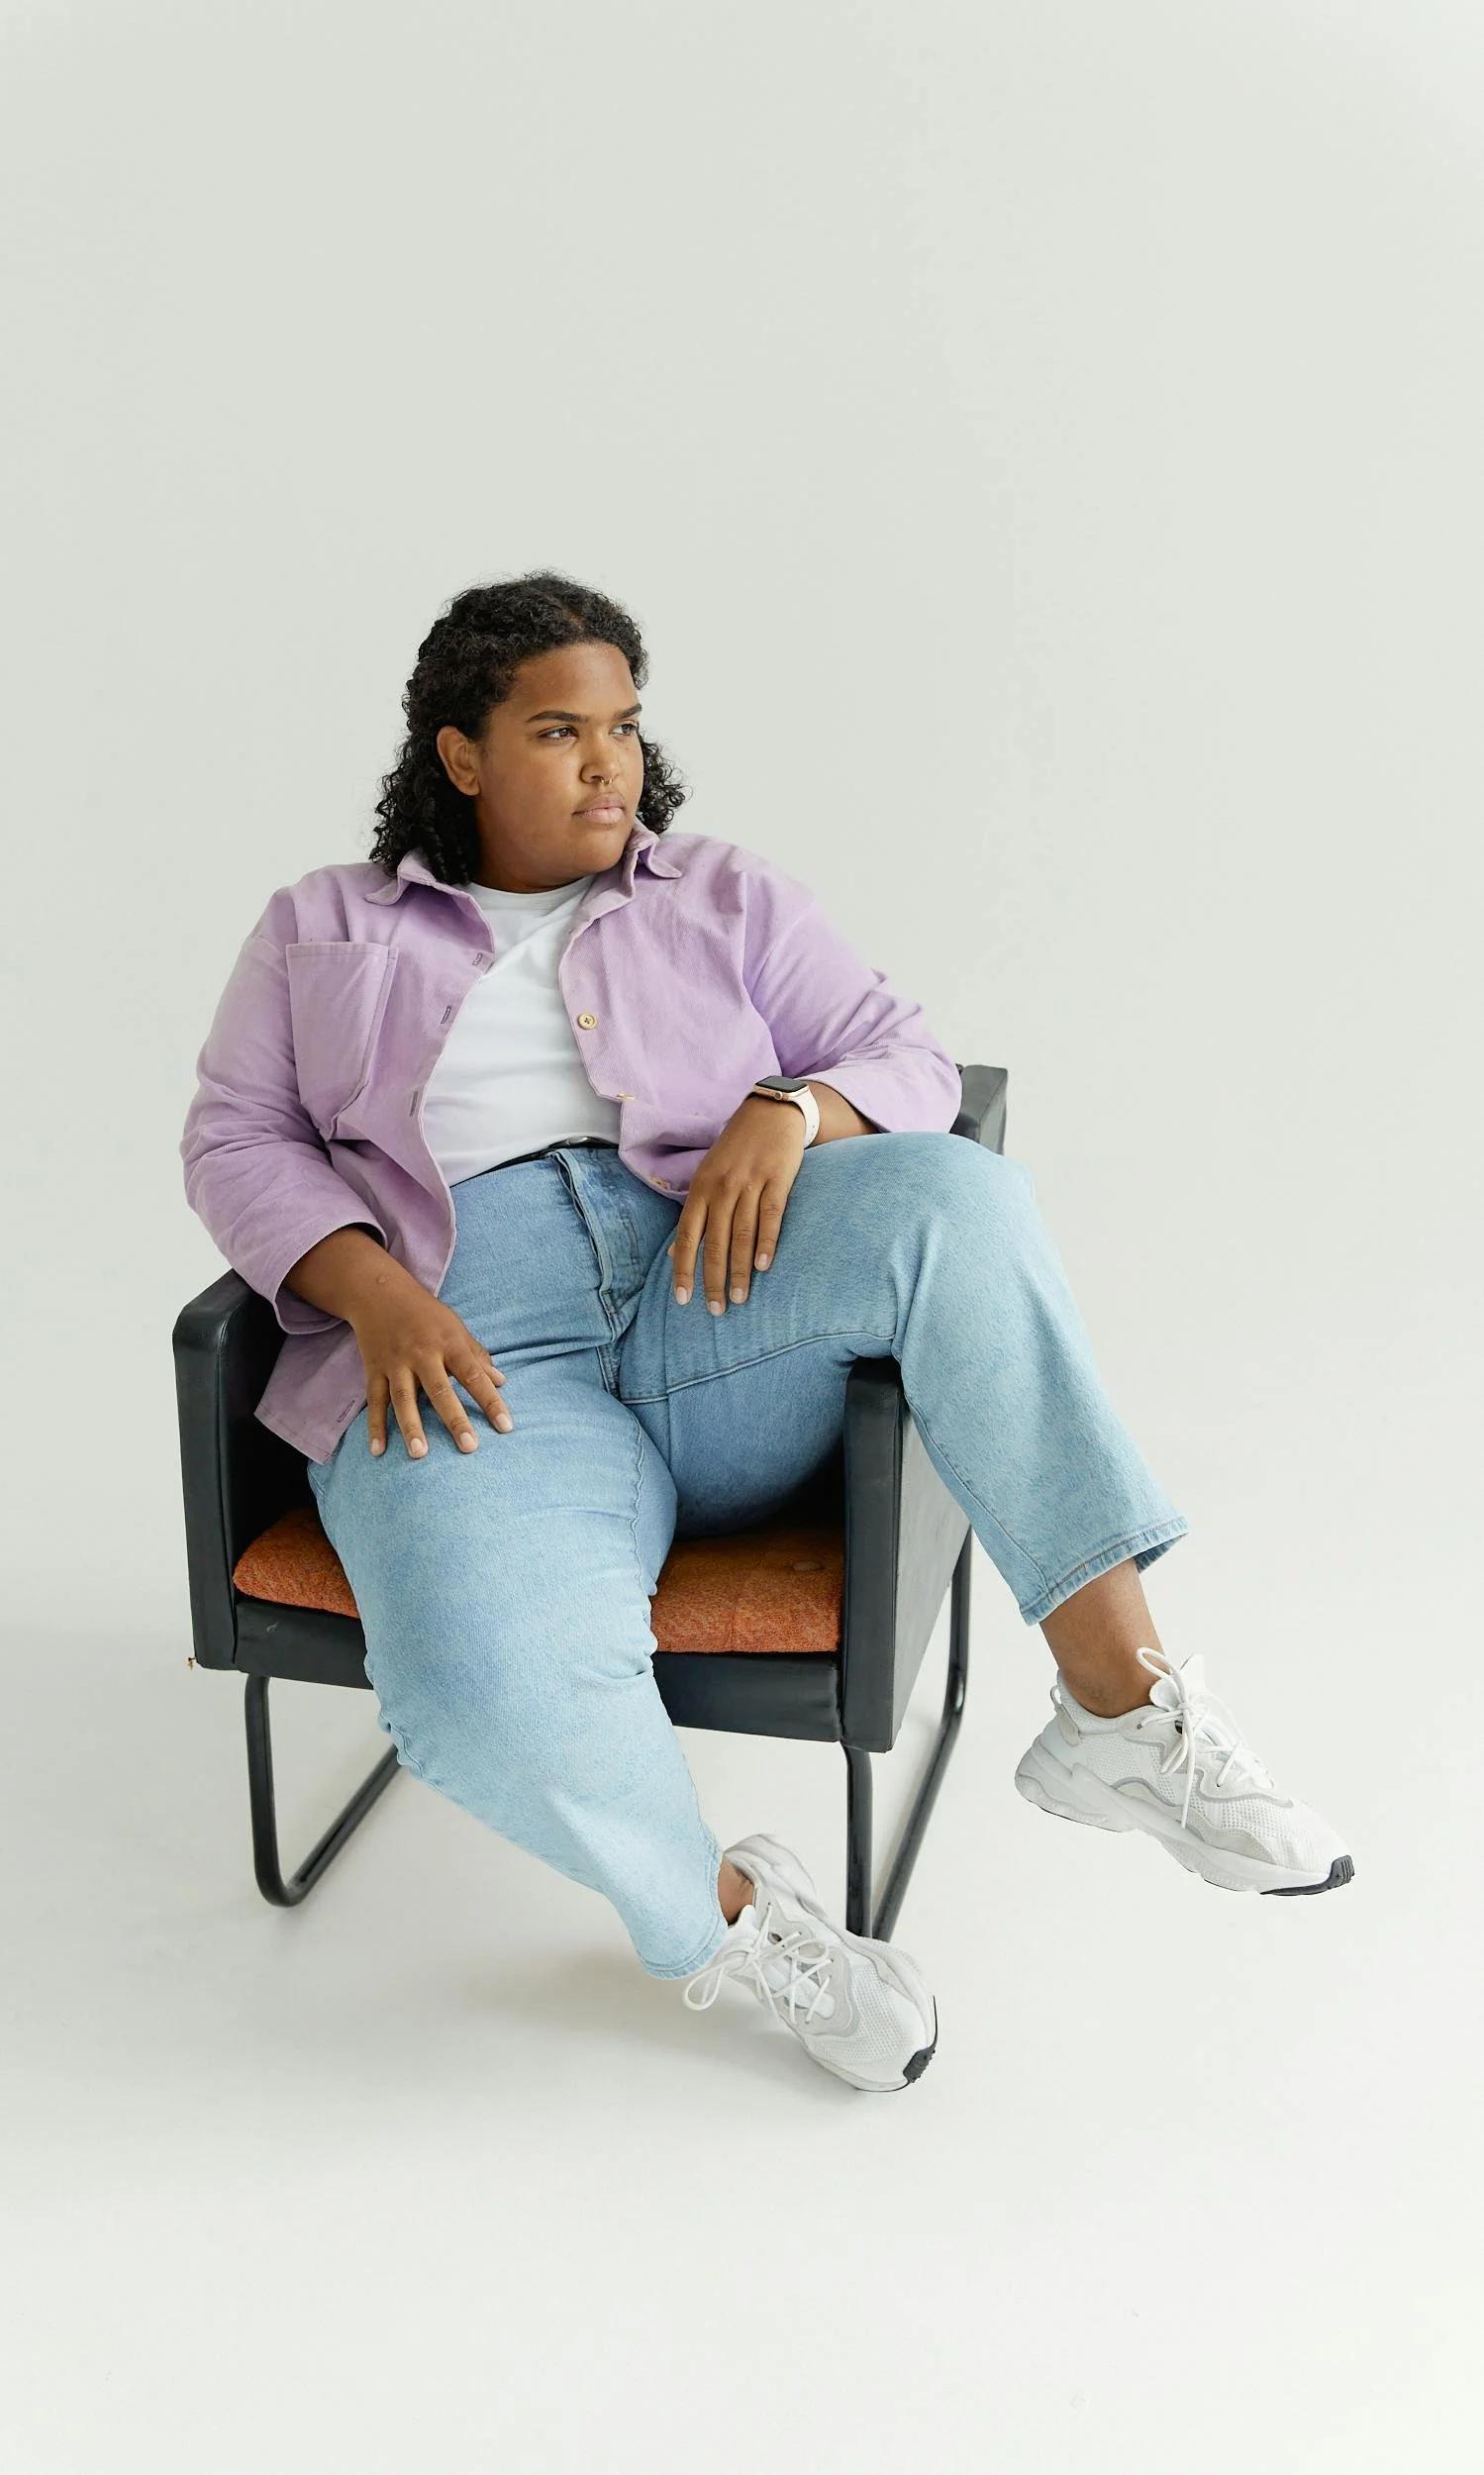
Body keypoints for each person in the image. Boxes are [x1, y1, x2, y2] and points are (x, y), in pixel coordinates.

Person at [179, 570, 1352, 2095]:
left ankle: (1117, 1709)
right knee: (481, 1683)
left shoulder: (721, 894)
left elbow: (908, 1054)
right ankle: (733, 1921)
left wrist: (790, 1106)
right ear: (460, 754)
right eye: (556, 731)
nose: (608, 761)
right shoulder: (320, 926)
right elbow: (233, 1139)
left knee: (953, 1196)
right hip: (472, 1358)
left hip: (714, 1300)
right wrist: (365, 1281)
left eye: (621, 725)